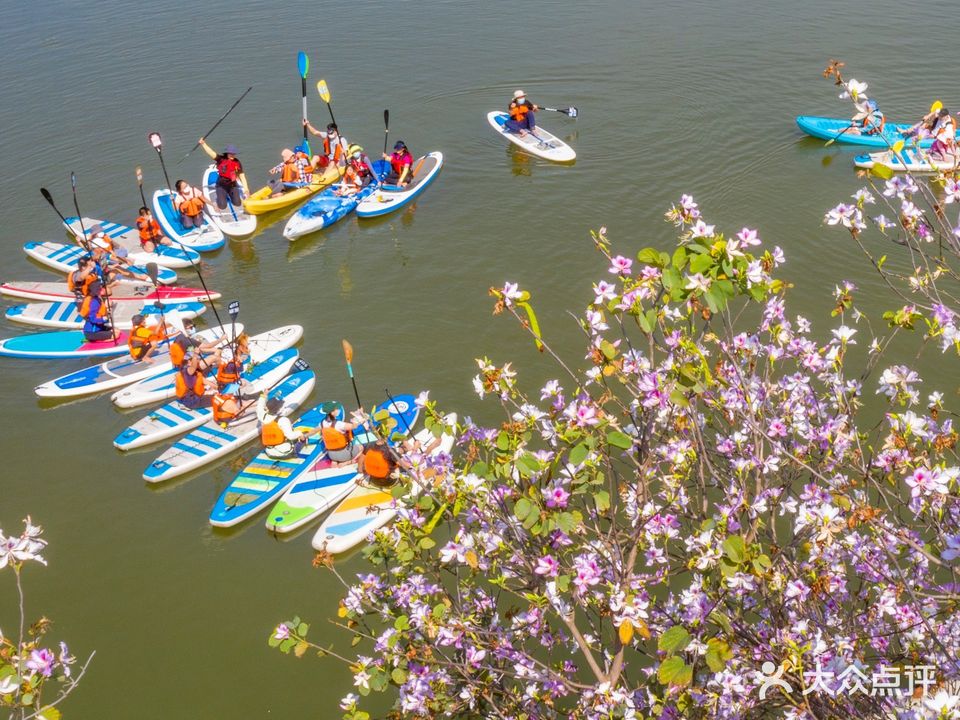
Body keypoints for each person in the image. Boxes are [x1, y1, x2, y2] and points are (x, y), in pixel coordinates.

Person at [198, 140, 249, 209]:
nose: (232, 155)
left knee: (237, 203)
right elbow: (211, 153)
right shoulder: (221, 159)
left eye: (234, 153)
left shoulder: (237, 162)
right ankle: (221, 195)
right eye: (231, 153)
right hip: (221, 185)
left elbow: (242, 176)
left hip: (232, 185)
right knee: (222, 206)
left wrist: (246, 190)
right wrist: (203, 144)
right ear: (227, 153)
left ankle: (229, 195)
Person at [257, 394, 306, 459]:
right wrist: (300, 433)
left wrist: (263, 395)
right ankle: (296, 452)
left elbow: (259, 407)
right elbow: (291, 436)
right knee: (301, 437)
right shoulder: (283, 420)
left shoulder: (262, 416)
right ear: (279, 409)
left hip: (269, 452)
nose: (284, 407)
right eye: (282, 406)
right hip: (284, 452)